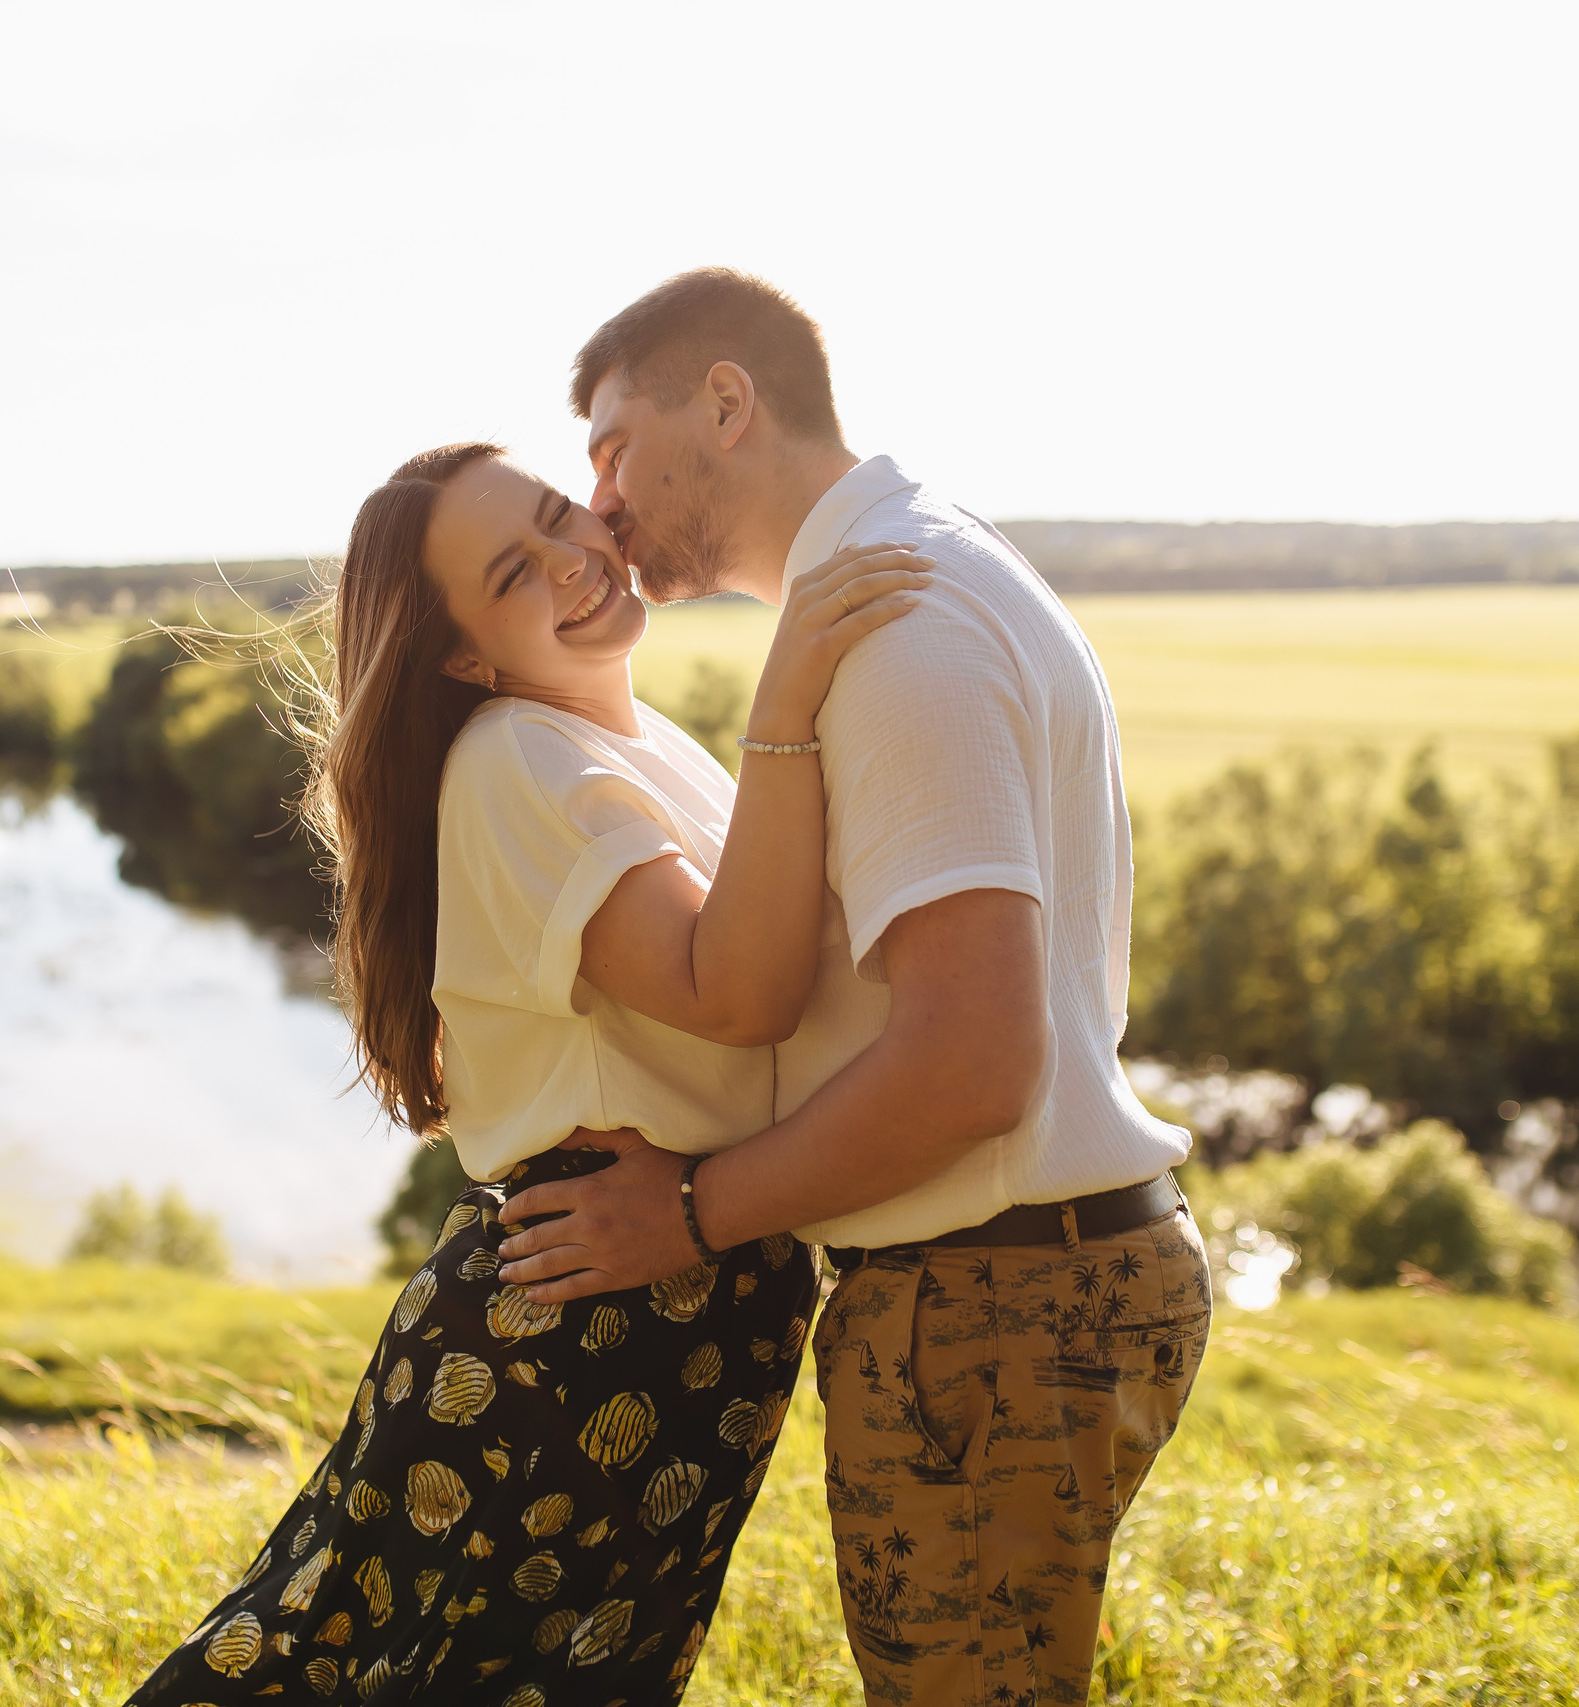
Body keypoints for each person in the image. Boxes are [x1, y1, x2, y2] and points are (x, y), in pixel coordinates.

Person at [495, 268, 1214, 1706]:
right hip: (1027, 1281)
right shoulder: (917, 567)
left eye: (615, 448)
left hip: (990, 1303)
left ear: (726, 400)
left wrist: (687, 1215)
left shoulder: (899, 621)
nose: (603, 503)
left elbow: (971, 1061)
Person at [125, 441, 930, 1706]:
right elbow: (740, 993)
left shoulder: (628, 738)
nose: (572, 561)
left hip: (672, 1303)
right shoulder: (516, 757)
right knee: (392, 1675)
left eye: (562, 517)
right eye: (514, 571)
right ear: (463, 655)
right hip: (581, 1320)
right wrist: (789, 700)